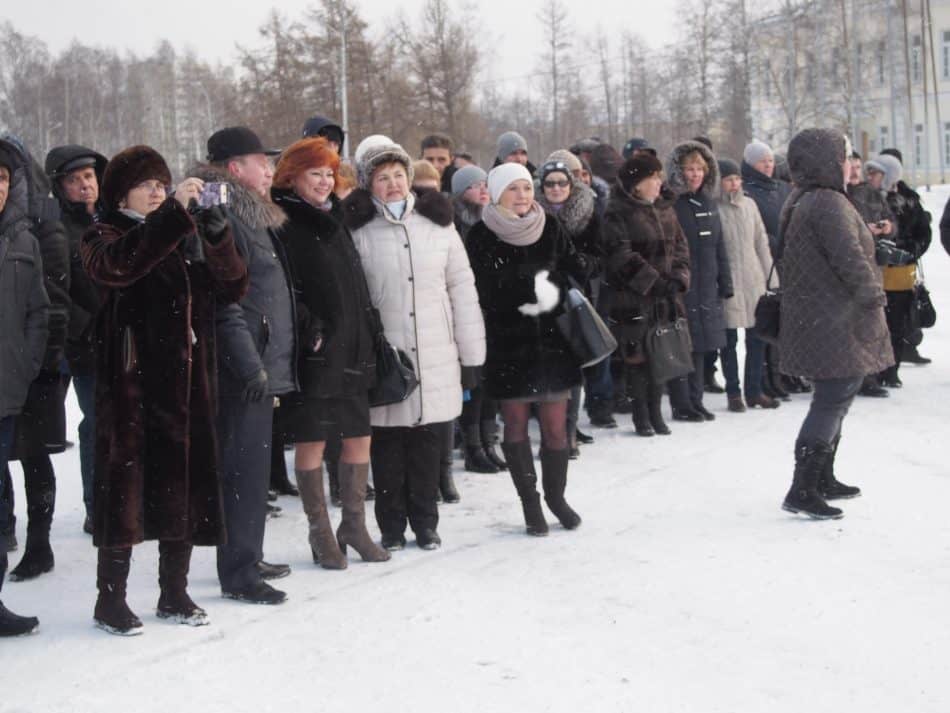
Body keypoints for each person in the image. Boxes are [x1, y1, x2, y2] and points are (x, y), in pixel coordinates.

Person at [82, 145, 248, 634]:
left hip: (184, 381)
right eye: (147, 184)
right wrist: (175, 214)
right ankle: (109, 599)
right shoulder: (102, 233)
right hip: (130, 384)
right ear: (121, 192)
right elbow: (118, 266)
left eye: (162, 183)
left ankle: (174, 590)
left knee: (183, 484)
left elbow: (232, 287)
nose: (158, 191)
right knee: (124, 490)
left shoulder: (178, 231)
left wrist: (217, 235)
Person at [343, 141, 485, 551]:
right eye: (382, 177)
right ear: (370, 184)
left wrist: (471, 354)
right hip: (386, 355)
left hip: (436, 349)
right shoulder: (358, 230)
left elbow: (462, 287)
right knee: (387, 445)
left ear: (410, 179)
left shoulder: (438, 225)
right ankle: (390, 525)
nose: (392, 184)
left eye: (398, 176)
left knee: (427, 442)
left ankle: (426, 522)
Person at [271, 137, 390, 569]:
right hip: (318, 351)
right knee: (314, 440)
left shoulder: (335, 217)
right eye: (314, 174)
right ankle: (320, 532)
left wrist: (370, 328)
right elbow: (283, 289)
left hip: (355, 344)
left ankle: (354, 526)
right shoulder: (284, 222)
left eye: (328, 174)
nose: (324, 182)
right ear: (292, 177)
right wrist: (311, 330)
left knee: (359, 436)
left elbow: (354, 281)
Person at [193, 127, 295, 604]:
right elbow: (224, 301)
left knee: (252, 471)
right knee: (241, 471)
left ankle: (246, 555)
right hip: (241, 364)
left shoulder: (248, 213)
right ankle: (238, 572)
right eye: (262, 161)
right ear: (235, 169)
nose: (271, 170)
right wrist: (249, 364)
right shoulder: (223, 215)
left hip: (258, 357)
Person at [778, 128, 893, 519]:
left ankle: (822, 477)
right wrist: (874, 296)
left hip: (818, 315)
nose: (848, 165)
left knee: (835, 395)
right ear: (827, 162)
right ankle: (803, 487)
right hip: (833, 318)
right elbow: (850, 260)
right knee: (833, 398)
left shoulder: (804, 198)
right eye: (844, 158)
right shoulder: (827, 202)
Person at [467, 163, 586, 535]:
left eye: (526, 188)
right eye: (513, 189)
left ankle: (556, 497)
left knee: (555, 429)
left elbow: (573, 268)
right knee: (515, 425)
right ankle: (530, 503)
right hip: (507, 344)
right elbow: (475, 289)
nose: (523, 196)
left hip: (553, 342)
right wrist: (516, 294)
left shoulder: (549, 226)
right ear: (498, 193)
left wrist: (565, 281)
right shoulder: (481, 235)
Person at [0, 135, 69, 583]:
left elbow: (52, 298)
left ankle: (38, 543)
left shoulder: (39, 222)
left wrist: (34, 360)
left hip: (37, 364)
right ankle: (8, 537)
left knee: (33, 453)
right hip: (20, 360)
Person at [602, 152, 689, 436]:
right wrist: (654, 282)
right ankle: (641, 414)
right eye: (652, 178)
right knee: (638, 358)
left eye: (658, 176)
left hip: (665, 298)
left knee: (661, 354)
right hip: (633, 299)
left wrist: (678, 278)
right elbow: (620, 255)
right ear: (637, 184)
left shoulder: (666, 208)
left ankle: (656, 411)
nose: (658, 182)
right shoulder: (617, 211)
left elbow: (680, 247)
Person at [45, 144, 108, 533]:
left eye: (88, 177)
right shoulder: (58, 231)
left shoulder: (110, 220)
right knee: (98, 423)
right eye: (74, 180)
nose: (85, 186)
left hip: (126, 340)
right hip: (88, 344)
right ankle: (97, 505)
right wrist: (88, 327)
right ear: (60, 187)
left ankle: (126, 498)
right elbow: (55, 291)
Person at [0, 141, 49, 636]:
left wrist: (25, 362)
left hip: (5, 391)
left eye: (2, 180)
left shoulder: (22, 239)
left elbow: (39, 310)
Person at [536, 159, 602, 454]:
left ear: (571, 186)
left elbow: (599, 254)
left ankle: (570, 430)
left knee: (573, 365)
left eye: (562, 182)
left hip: (575, 296)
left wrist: (581, 265)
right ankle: (552, 432)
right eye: (550, 183)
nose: (556, 188)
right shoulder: (531, 214)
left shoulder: (588, 212)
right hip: (540, 299)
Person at [666, 140, 733, 422]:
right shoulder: (672, 203)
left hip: (708, 284)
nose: (694, 174)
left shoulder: (709, 202)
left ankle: (696, 399)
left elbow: (720, 246)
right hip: (683, 284)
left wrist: (725, 281)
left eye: (699, 169)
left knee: (704, 345)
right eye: (689, 169)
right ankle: (682, 403)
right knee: (685, 346)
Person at [450, 164, 505, 474]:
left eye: (485, 183)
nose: (483, 189)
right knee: (473, 382)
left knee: (492, 380)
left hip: (494, 311)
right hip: (470, 312)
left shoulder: (495, 220)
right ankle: (473, 447)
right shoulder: (455, 224)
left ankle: (488, 441)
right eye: (474, 185)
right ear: (461, 192)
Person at [716, 159, 777, 411]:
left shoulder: (749, 205)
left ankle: (754, 390)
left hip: (753, 279)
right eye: (729, 179)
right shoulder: (714, 208)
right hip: (728, 281)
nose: (734, 184)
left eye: (737, 179)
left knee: (757, 338)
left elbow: (761, 241)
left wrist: (771, 278)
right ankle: (733, 392)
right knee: (728, 341)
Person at [741, 139, 795, 400]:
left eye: (771, 160)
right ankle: (760, 379)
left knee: (782, 321)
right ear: (751, 164)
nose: (768, 165)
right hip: (761, 262)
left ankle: (777, 376)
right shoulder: (748, 191)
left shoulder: (782, 189)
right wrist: (773, 242)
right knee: (764, 321)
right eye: (763, 161)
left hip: (786, 261)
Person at [874, 153, 932, 387]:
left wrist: (909, 251)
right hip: (875, 271)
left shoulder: (909, 200)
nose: (871, 177)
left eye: (876, 172)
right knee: (877, 325)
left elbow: (923, 234)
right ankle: (876, 370)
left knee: (897, 324)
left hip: (901, 273)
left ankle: (891, 369)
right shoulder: (869, 197)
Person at [846, 156, 897, 398]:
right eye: (851, 167)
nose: (856, 172)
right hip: (848, 268)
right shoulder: (838, 195)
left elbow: (892, 220)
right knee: (850, 322)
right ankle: (853, 375)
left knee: (873, 320)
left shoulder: (871, 193)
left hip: (873, 265)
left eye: (858, 167)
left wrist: (888, 226)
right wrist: (864, 229)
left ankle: (871, 375)